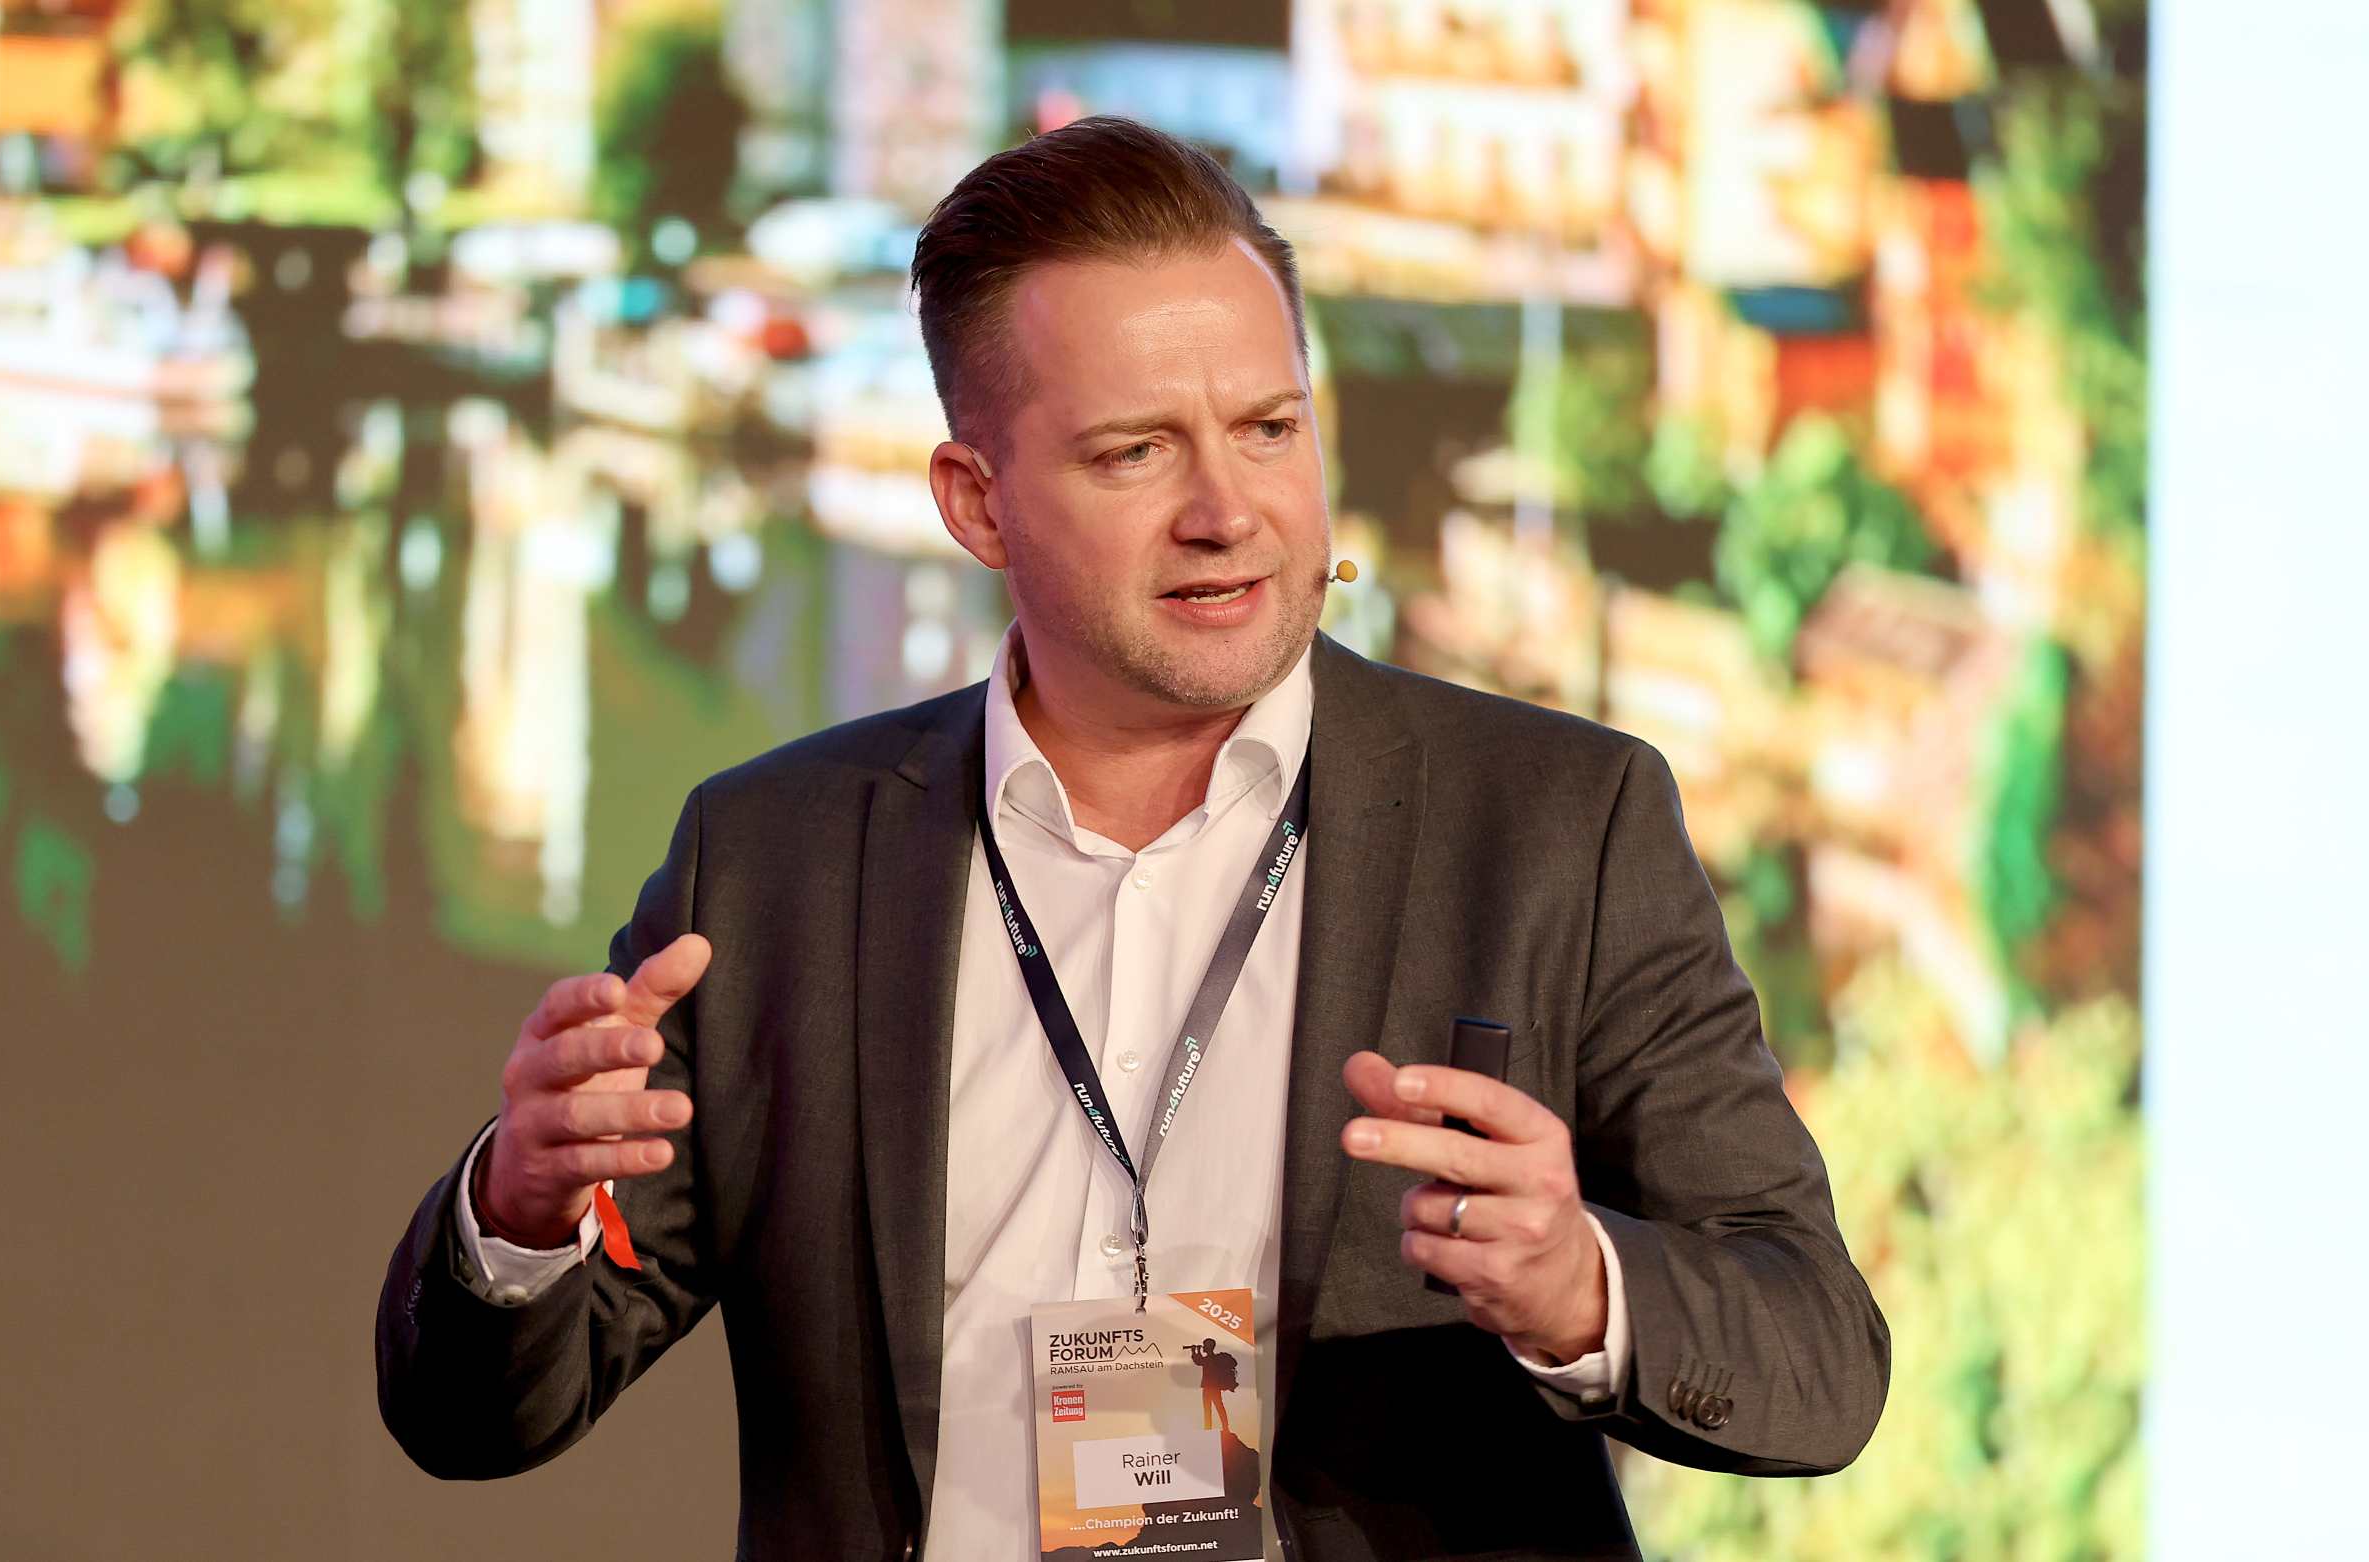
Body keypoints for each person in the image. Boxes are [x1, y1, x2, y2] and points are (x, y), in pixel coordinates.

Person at [375, 115, 1888, 1561]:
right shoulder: (770, 865)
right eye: (1136, 453)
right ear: (977, 503)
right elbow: (474, 1415)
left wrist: (1575, 1286)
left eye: (1269, 428)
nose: (1229, 510)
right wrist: (515, 1211)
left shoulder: (1563, 824)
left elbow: (1820, 1358)